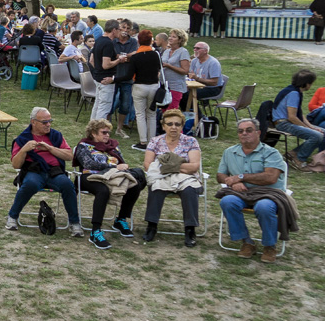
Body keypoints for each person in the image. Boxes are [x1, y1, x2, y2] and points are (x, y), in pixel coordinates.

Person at [216, 118, 291, 264]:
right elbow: (220, 175)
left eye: (248, 130)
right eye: (240, 131)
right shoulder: (229, 152)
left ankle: (270, 246)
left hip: (268, 193)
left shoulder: (271, 152)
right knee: (227, 201)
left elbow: (271, 177)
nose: (244, 133)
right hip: (241, 193)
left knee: (263, 206)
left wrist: (241, 177)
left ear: (258, 133)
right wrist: (232, 183)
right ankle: (247, 242)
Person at [5, 108, 82, 237]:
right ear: (33, 122)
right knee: (30, 184)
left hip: (54, 172)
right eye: (44, 122)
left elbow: (69, 156)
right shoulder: (23, 139)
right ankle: (12, 217)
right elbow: (16, 165)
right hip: (34, 171)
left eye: (50, 121)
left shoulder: (56, 136)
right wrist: (24, 150)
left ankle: (74, 223)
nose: (48, 125)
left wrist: (50, 148)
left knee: (68, 185)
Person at [73, 119, 146, 249]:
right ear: (94, 133)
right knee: (103, 190)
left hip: (112, 176)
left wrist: (121, 167)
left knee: (135, 185)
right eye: (104, 132)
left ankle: (121, 219)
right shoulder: (84, 145)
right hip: (89, 177)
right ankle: (95, 231)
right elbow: (88, 164)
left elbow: (121, 162)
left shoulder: (113, 146)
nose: (107, 135)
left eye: (108, 132)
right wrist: (113, 166)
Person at [141, 109, 203, 246]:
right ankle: (151, 226)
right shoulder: (155, 141)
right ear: (163, 126)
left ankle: (190, 229)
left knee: (189, 190)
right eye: (169, 124)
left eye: (177, 124)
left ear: (182, 126)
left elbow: (194, 166)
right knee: (156, 187)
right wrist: (176, 166)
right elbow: (147, 165)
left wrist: (169, 167)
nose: (173, 127)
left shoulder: (190, 141)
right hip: (161, 176)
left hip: (185, 176)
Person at [271, 69, 325, 171]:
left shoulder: (295, 91)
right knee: (316, 136)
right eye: (311, 83)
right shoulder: (293, 94)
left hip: (288, 122)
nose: (311, 86)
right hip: (283, 123)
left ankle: (293, 154)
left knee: (322, 132)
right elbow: (292, 117)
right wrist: (310, 129)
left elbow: (299, 114)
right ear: (306, 83)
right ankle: (299, 159)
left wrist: (311, 127)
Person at [129, 30, 162, 151]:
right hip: (153, 86)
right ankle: (152, 141)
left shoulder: (135, 57)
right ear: (151, 41)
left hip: (139, 86)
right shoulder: (156, 54)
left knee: (140, 114)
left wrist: (114, 79)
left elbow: (129, 74)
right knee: (151, 114)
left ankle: (143, 141)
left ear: (138, 41)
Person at [90, 19, 125, 120]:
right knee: (104, 107)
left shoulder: (99, 40)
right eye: (119, 29)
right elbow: (106, 65)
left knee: (97, 105)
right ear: (114, 30)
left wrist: (98, 71)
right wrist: (119, 60)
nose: (120, 32)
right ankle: (98, 131)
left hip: (98, 78)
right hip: (106, 80)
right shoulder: (108, 43)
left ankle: (92, 128)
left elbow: (92, 60)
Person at [160, 28, 190, 112]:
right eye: (170, 36)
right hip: (164, 85)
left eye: (174, 37)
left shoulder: (183, 52)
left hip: (176, 86)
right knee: (164, 110)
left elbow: (185, 71)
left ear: (180, 40)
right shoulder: (166, 51)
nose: (170, 38)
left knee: (171, 110)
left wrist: (169, 66)